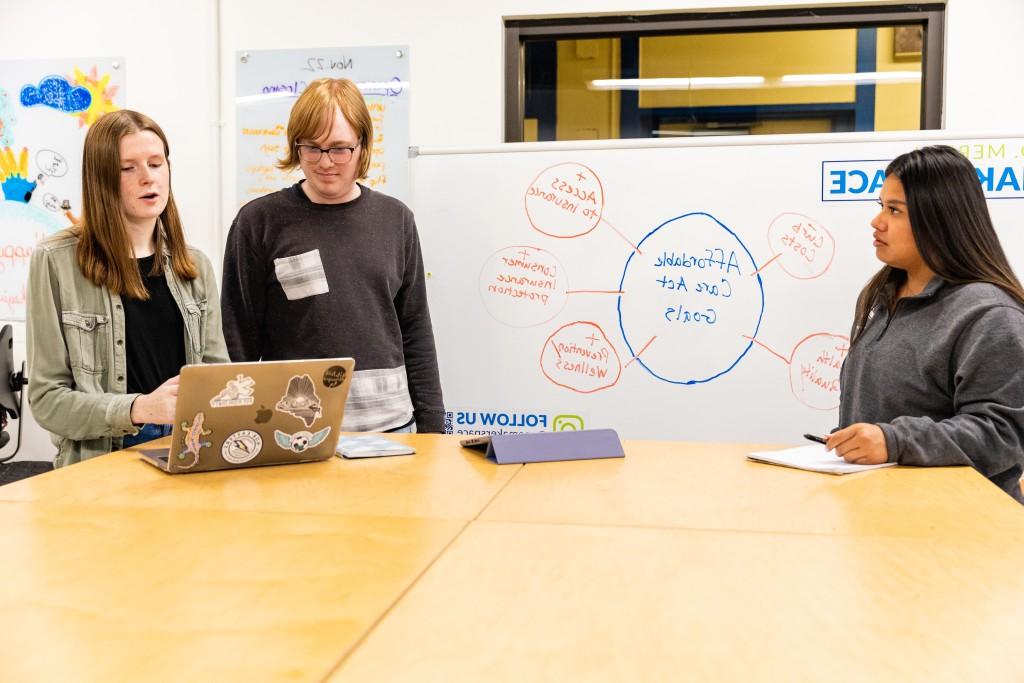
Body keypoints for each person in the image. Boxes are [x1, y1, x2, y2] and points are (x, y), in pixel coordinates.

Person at [221, 78, 444, 433]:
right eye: (312, 148)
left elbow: (415, 330)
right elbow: (237, 341)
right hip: (296, 431)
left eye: (340, 149)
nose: (325, 162)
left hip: (391, 430)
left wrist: (434, 429)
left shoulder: (395, 219)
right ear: (296, 146)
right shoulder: (258, 223)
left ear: (362, 147)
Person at [27, 110, 229, 467]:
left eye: (156, 163)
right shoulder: (55, 261)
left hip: (188, 454)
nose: (148, 178)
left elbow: (219, 380)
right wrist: (139, 408)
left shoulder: (195, 266)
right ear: (101, 178)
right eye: (128, 168)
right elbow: (47, 401)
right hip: (101, 461)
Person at [826, 145, 1024, 503]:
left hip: (960, 533)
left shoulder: (989, 315)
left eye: (895, 210)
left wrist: (894, 441)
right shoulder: (885, 297)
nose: (877, 222)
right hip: (884, 515)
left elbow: (1002, 434)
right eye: (881, 207)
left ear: (939, 218)